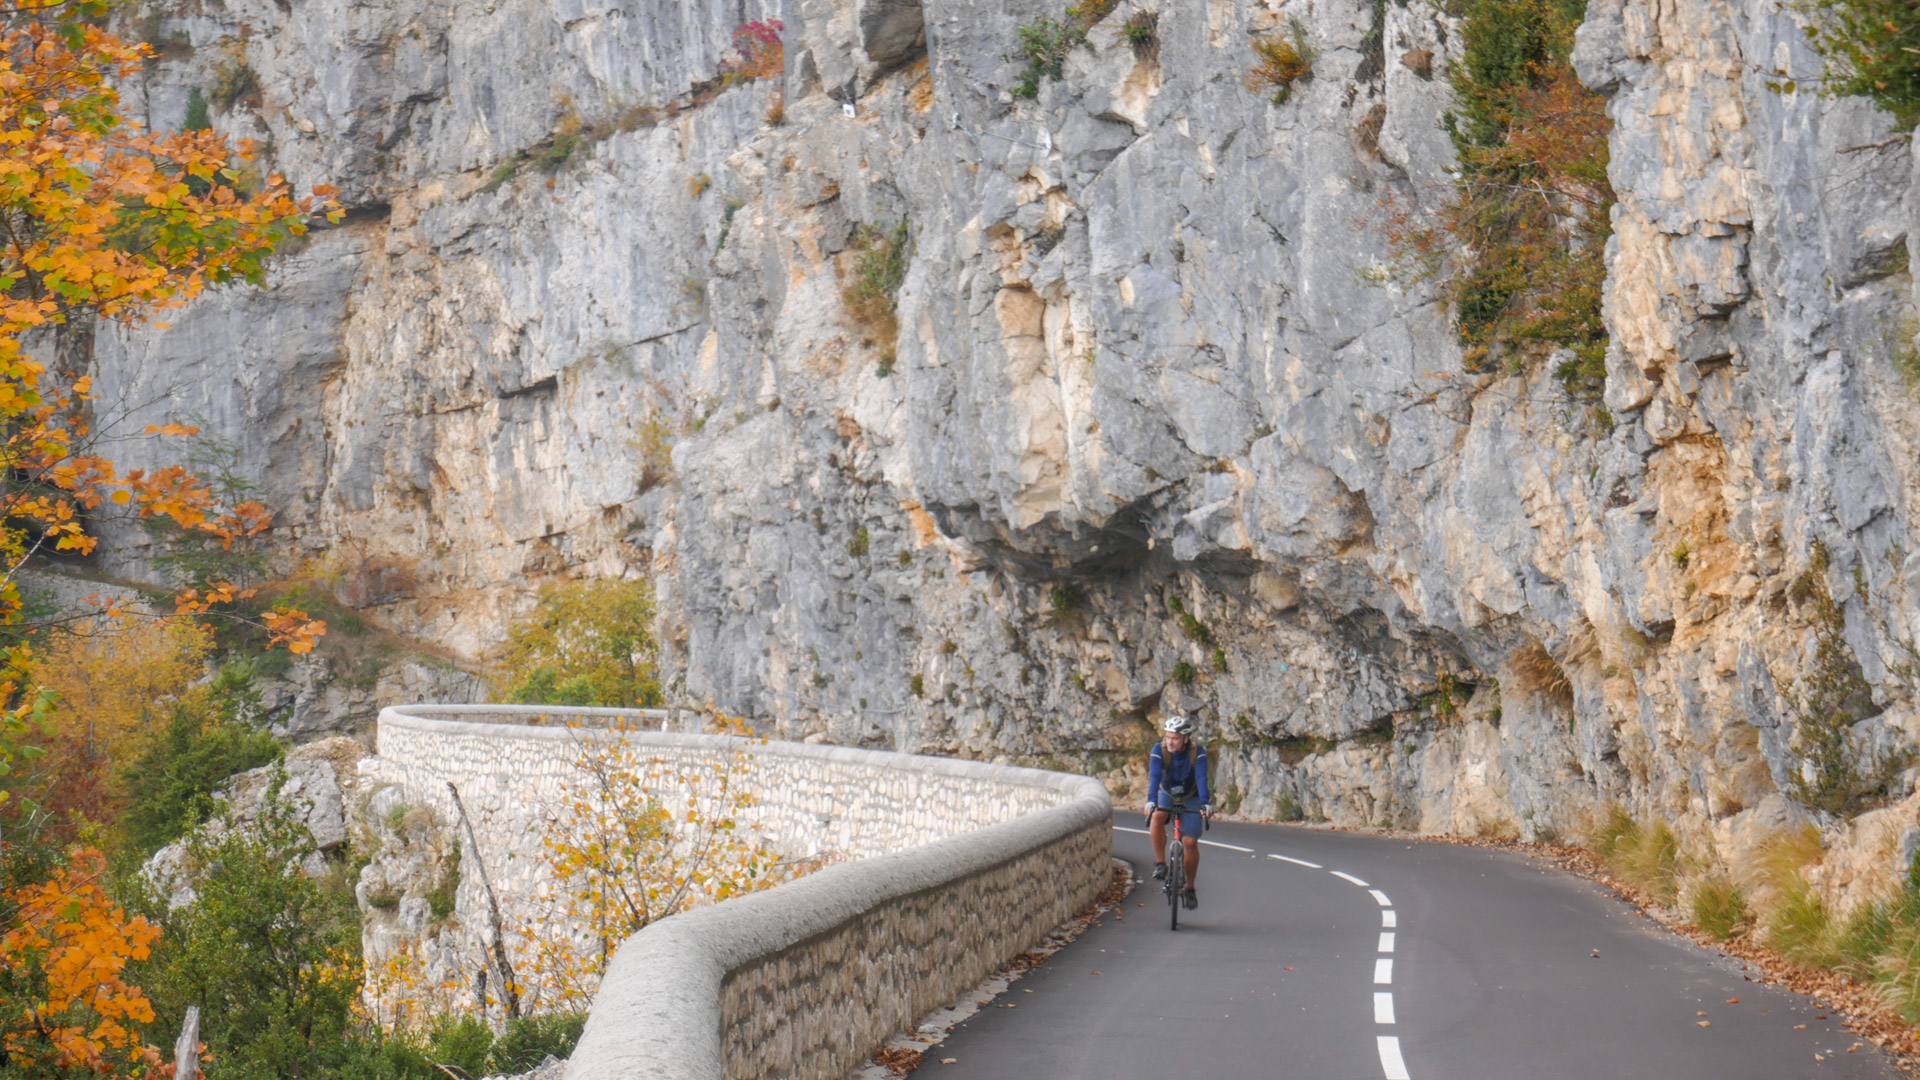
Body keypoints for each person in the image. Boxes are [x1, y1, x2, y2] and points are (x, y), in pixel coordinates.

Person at [1145, 714, 1210, 910]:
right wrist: (1151, 801)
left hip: (1192, 795)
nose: (1169, 741)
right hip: (1166, 791)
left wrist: (1206, 803)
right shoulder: (1159, 750)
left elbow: (1201, 777)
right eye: (1167, 737)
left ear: (1185, 738)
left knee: (1189, 842)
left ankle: (1189, 888)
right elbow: (1155, 776)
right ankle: (1160, 862)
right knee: (1157, 816)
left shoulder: (1197, 752)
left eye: (1174, 738)